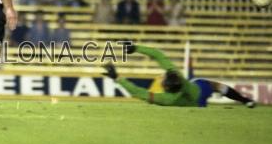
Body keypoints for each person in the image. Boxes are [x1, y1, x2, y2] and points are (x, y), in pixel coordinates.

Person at [102, 44, 256, 108]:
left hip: (196, 106)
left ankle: (243, 100)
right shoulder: (176, 74)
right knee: (216, 86)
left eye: (162, 79)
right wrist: (135, 47)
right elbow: (157, 54)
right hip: (200, 90)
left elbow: (138, 92)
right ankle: (244, 100)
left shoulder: (167, 99)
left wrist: (117, 78)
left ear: (167, 88)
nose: (161, 77)